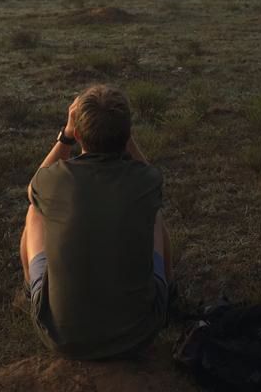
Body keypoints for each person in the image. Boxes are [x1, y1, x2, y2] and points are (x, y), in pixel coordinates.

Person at [18, 84, 172, 360]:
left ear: (78, 133)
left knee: (34, 212)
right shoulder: (146, 181)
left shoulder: (55, 180)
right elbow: (151, 175)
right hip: (140, 332)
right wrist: (125, 138)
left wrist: (65, 137)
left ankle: (34, 295)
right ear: (127, 134)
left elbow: (32, 189)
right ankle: (168, 294)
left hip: (63, 337)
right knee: (155, 214)